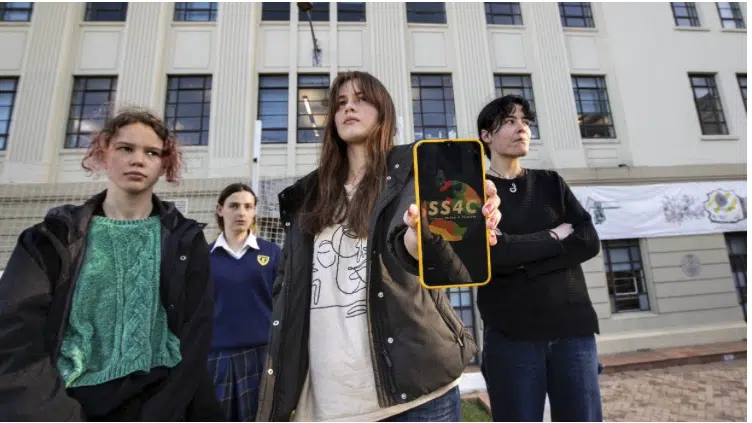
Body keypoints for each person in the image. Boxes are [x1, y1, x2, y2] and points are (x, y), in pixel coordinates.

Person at [255, 71, 502, 422]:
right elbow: (287, 287)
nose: (348, 108)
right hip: (330, 400)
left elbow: (446, 265)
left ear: (384, 111)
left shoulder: (416, 173)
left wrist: (427, 238)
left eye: (361, 99)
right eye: (340, 103)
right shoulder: (306, 197)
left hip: (417, 395)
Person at [0, 108, 224, 421]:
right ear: (104, 153)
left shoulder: (186, 241)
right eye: (125, 148)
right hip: (68, 402)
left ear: (163, 165)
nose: (138, 159)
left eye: (151, 152)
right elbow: (15, 338)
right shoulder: (50, 239)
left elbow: (196, 337)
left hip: (160, 401)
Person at [476, 95, 603, 422]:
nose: (522, 129)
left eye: (526, 122)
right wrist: (553, 236)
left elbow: (588, 241)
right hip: (511, 336)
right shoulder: (475, 193)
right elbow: (492, 255)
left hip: (573, 331)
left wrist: (520, 256)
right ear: (486, 136)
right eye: (510, 122)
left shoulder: (550, 183)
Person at [208, 183, 281, 421]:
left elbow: (283, 304)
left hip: (262, 355)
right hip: (217, 357)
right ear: (220, 210)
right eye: (234, 206)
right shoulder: (202, 256)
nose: (241, 212)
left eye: (248, 206)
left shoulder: (272, 253)